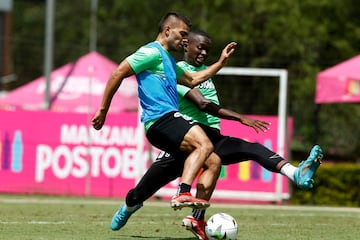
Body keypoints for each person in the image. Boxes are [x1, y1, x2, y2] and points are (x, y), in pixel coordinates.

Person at [106, 29, 323, 239]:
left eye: (207, 50)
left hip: (210, 138)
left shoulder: (204, 73)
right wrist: (240, 117)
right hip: (184, 139)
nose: (203, 53)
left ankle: (296, 174)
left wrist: (219, 63)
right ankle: (129, 207)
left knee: (250, 149)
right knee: (139, 193)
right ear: (186, 45)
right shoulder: (176, 69)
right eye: (200, 48)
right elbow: (202, 103)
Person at [91, 13, 237, 229]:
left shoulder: (168, 60)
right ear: (167, 30)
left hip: (168, 124)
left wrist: (220, 62)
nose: (186, 40)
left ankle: (131, 205)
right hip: (161, 119)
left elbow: (194, 79)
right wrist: (103, 110)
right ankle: (183, 192)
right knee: (204, 144)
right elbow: (118, 73)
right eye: (183, 34)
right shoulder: (151, 52)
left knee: (213, 161)